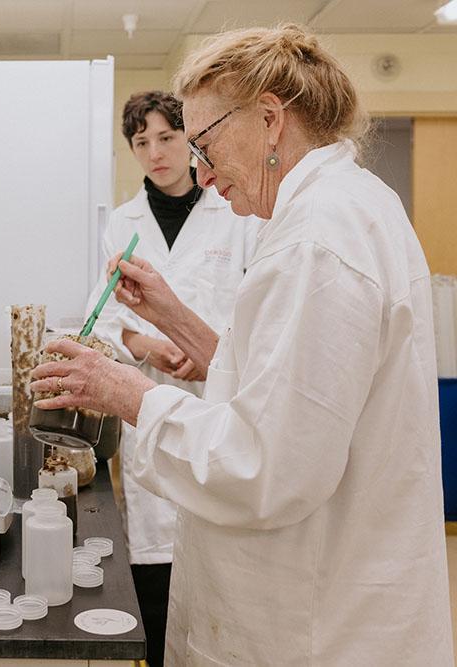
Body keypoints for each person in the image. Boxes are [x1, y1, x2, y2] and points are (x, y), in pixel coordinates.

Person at [33, 24, 453, 665]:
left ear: (268, 119)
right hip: (327, 592)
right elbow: (292, 380)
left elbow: (264, 466)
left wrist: (126, 394)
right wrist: (178, 321)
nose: (201, 174)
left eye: (203, 144)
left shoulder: (316, 241)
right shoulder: (352, 204)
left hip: (312, 624)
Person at [82, 90, 256, 667]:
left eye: (167, 137)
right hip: (150, 398)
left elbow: (255, 308)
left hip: (221, 399)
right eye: (141, 142)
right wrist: (148, 341)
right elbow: (107, 318)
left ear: (191, 139)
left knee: (222, 563)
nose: (156, 152)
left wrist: (205, 346)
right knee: (156, 559)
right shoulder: (123, 225)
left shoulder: (235, 212)